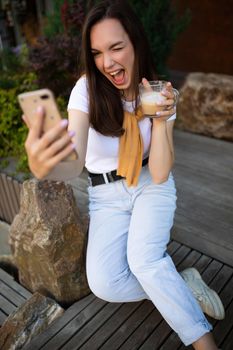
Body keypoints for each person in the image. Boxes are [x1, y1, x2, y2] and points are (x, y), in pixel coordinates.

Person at [23, 1, 224, 348]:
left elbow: (160, 173)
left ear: (135, 43)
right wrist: (46, 166)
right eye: (98, 52)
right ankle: (180, 283)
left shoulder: (158, 92)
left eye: (116, 47)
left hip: (151, 185)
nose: (108, 62)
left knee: (144, 261)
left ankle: (203, 342)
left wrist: (161, 120)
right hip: (106, 195)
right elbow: (75, 162)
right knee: (105, 284)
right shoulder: (86, 91)